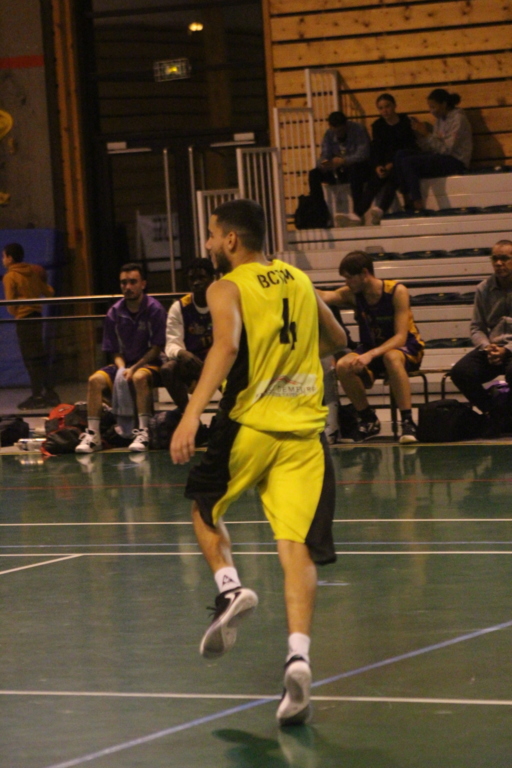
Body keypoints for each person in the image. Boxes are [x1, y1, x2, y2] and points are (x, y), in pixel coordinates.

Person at [170, 199, 347, 726]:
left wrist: (191, 415)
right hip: (305, 433)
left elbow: (226, 347)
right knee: (295, 548)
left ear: (230, 240)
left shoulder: (226, 286)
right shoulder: (299, 279)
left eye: (210, 234)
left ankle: (230, 590)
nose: (207, 244)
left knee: (204, 505)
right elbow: (337, 340)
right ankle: (298, 657)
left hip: (251, 423)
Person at [318, 251, 424, 444]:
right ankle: (368, 418)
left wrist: (370, 355)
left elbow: (400, 338)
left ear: (364, 273)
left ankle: (408, 421)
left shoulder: (397, 291)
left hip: (406, 347)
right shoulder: (352, 294)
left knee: (391, 357)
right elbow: (324, 296)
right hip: (372, 348)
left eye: (349, 278)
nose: (346, 282)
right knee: (343, 365)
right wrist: (298, 283)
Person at [76, 263, 167, 454]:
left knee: (139, 377)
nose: (128, 287)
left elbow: (156, 348)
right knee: (94, 381)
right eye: (124, 283)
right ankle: (94, 435)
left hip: (151, 363)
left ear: (143, 284)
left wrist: (133, 369)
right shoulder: (114, 312)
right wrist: (122, 369)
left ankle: (143, 432)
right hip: (124, 364)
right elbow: (114, 351)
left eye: (133, 282)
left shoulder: (155, 309)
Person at [450, 240, 512, 433]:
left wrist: (506, 350)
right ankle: (495, 413)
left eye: (504, 258)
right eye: (495, 258)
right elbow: (477, 327)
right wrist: (487, 348)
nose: (499, 263)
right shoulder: (483, 289)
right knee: (460, 372)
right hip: (492, 349)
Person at [2, 242, 60, 409]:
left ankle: (37, 396)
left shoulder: (10, 276)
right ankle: (49, 392)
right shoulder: (34, 272)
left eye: (3, 256)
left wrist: (18, 310)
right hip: (37, 317)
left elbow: (10, 305)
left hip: (24, 320)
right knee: (39, 356)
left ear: (10, 258)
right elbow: (49, 292)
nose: (2, 260)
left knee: (30, 359)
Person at [393, 88, 473, 211]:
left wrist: (427, 134)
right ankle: (406, 196)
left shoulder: (458, 119)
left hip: (456, 161)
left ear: (444, 104)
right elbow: (432, 148)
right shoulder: (439, 120)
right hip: (441, 157)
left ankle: (417, 202)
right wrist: (420, 135)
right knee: (400, 155)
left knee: (408, 162)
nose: (431, 111)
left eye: (433, 107)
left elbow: (446, 150)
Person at [160, 258, 214, 413]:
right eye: (192, 279)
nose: (196, 283)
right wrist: (182, 353)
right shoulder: (179, 307)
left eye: (201, 278)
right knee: (168, 369)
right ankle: (187, 413)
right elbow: (171, 343)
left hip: (219, 362)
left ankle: (230, 414)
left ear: (212, 279)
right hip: (192, 363)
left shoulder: (222, 302)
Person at [359, 93, 417, 224]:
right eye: (381, 108)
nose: (384, 110)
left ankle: (381, 209)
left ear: (394, 106)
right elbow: (376, 149)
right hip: (385, 163)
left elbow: (410, 146)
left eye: (387, 106)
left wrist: (392, 164)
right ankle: (358, 213)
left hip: (403, 161)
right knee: (374, 180)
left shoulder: (405, 122)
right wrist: (378, 166)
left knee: (394, 177)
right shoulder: (378, 125)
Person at [308, 110, 371, 223]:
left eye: (341, 130)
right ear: (331, 127)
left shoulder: (358, 130)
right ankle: (322, 215)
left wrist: (344, 161)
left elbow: (364, 154)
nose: (338, 134)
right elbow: (324, 155)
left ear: (346, 125)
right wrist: (326, 164)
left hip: (357, 169)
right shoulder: (329, 134)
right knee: (313, 174)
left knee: (355, 170)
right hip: (337, 170)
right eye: (335, 131)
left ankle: (357, 213)